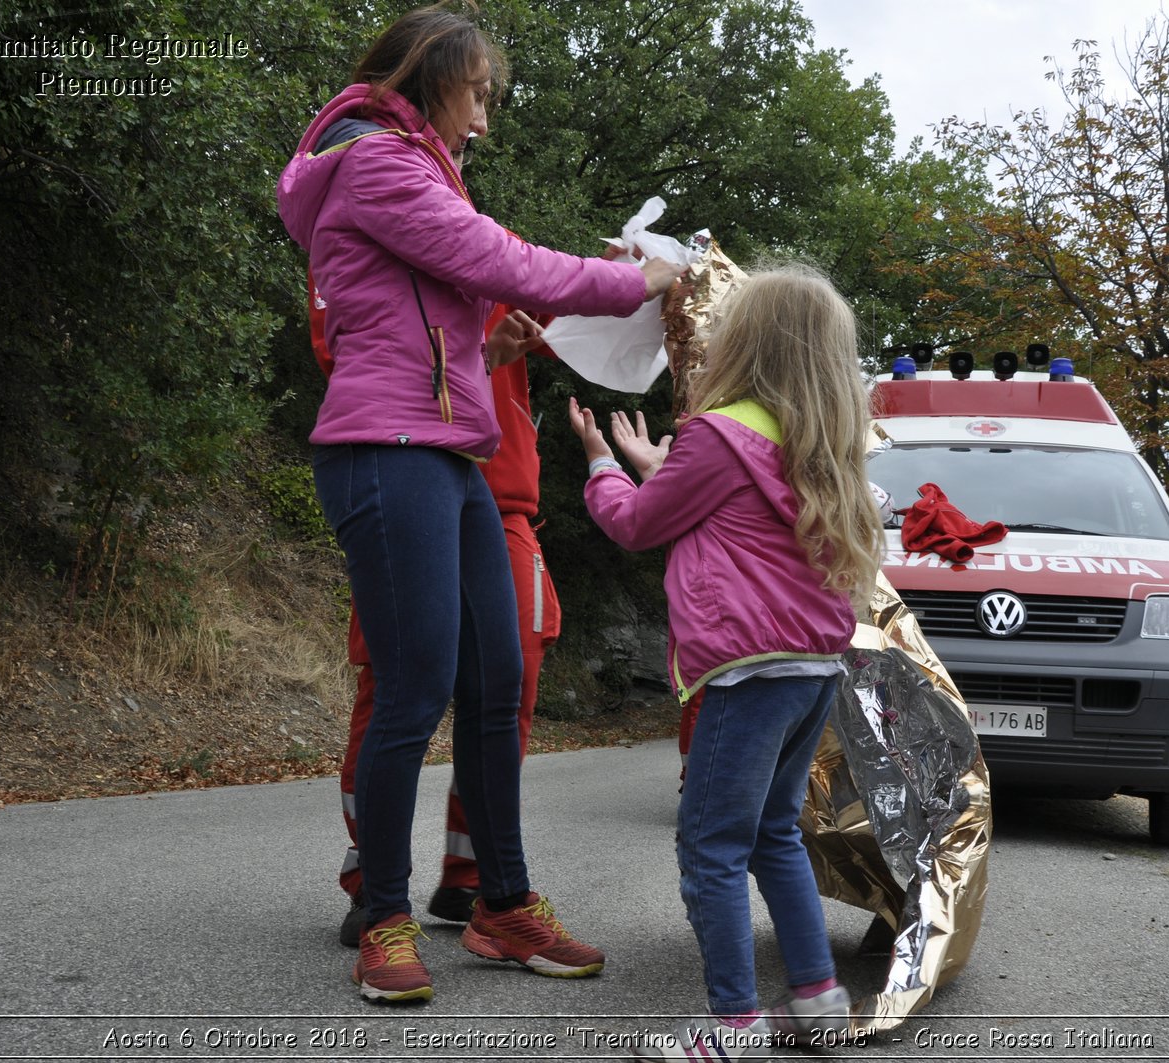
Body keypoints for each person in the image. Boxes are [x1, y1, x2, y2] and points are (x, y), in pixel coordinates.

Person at [278, 4, 684, 1005]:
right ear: (433, 82)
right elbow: (508, 264)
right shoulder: (377, 163)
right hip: (386, 449)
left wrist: (487, 349)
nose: (484, 122)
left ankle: (501, 904)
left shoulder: (420, 168)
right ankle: (382, 914)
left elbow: (452, 296)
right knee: (414, 686)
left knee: (496, 680)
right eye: (478, 99)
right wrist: (641, 278)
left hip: (451, 450)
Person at [568, 263, 884, 1059]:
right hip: (813, 667)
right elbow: (728, 510)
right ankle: (818, 1004)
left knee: (710, 846)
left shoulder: (718, 433)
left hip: (748, 670)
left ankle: (732, 1028)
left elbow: (641, 525)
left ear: (746, 340)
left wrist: (604, 465)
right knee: (775, 832)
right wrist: (658, 465)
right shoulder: (821, 442)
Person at [310, 276, 563, 942]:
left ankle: (479, 878)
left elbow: (568, 326)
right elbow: (357, 360)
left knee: (509, 678)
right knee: (396, 680)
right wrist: (481, 354)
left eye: (457, 159)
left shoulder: (487, 242)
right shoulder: (360, 224)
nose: (452, 163)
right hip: (401, 468)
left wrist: (633, 280)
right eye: (445, 158)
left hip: (496, 491)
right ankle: (377, 888)